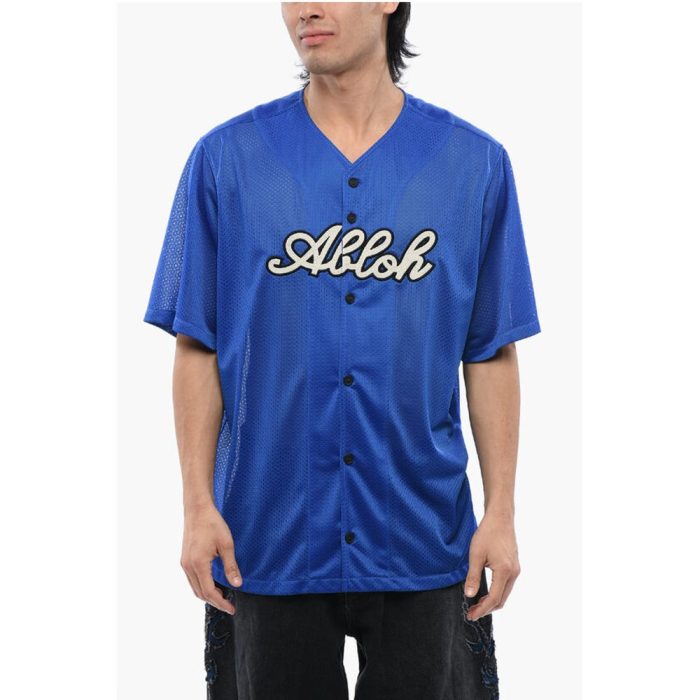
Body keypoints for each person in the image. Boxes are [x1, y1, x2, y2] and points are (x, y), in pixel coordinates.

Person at [143, 3, 541, 698]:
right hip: (267, 536)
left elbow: (489, 350)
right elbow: (197, 343)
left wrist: (501, 512)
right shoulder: (226, 161)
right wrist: (197, 505)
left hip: (423, 534)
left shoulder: (473, 165)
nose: (306, 8)